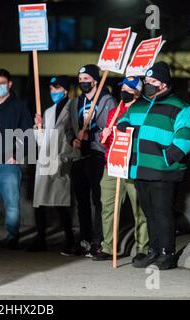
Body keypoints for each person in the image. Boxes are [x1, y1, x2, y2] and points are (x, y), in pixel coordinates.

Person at [117, 61, 190, 270]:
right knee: (149, 213)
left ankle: (166, 253)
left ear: (163, 84)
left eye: (153, 81)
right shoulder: (139, 104)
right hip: (140, 168)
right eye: (146, 80)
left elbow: (186, 136)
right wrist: (124, 125)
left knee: (162, 213)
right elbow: (122, 120)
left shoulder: (180, 106)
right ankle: (153, 251)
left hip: (163, 170)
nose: (147, 84)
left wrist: (167, 157)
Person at [93, 76, 149, 265]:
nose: (124, 90)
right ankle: (108, 246)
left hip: (132, 165)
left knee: (139, 208)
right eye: (122, 87)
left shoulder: (143, 110)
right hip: (112, 165)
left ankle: (143, 248)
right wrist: (105, 135)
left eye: (129, 88)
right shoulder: (114, 111)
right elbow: (107, 141)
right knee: (108, 207)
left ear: (138, 91)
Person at [67, 64, 117, 257]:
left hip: (98, 156)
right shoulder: (76, 102)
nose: (83, 83)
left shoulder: (106, 100)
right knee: (82, 202)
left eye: (87, 79)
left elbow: (109, 127)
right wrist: (74, 139)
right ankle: (85, 240)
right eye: (80, 80)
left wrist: (92, 136)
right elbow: (70, 128)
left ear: (95, 80)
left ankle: (99, 241)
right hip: (80, 157)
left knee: (99, 200)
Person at [0, 69, 33, 249]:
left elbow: (28, 134)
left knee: (12, 203)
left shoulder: (19, 107)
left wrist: (18, 154)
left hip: (9, 163)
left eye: (2, 83)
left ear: (9, 84)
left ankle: (12, 236)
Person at [27, 76, 76, 256]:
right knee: (40, 201)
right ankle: (41, 238)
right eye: (51, 88)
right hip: (45, 159)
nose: (54, 92)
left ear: (65, 90)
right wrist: (38, 127)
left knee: (60, 202)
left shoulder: (73, 109)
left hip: (61, 159)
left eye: (57, 88)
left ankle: (70, 239)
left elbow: (72, 136)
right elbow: (41, 141)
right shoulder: (47, 112)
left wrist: (66, 156)